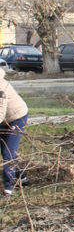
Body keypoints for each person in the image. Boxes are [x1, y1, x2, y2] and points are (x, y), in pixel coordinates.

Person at [0, 66, 28, 195]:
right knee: (6, 149)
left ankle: (8, 188)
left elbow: (1, 111)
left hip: (17, 117)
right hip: (5, 119)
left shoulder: (1, 87)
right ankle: (22, 177)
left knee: (8, 152)